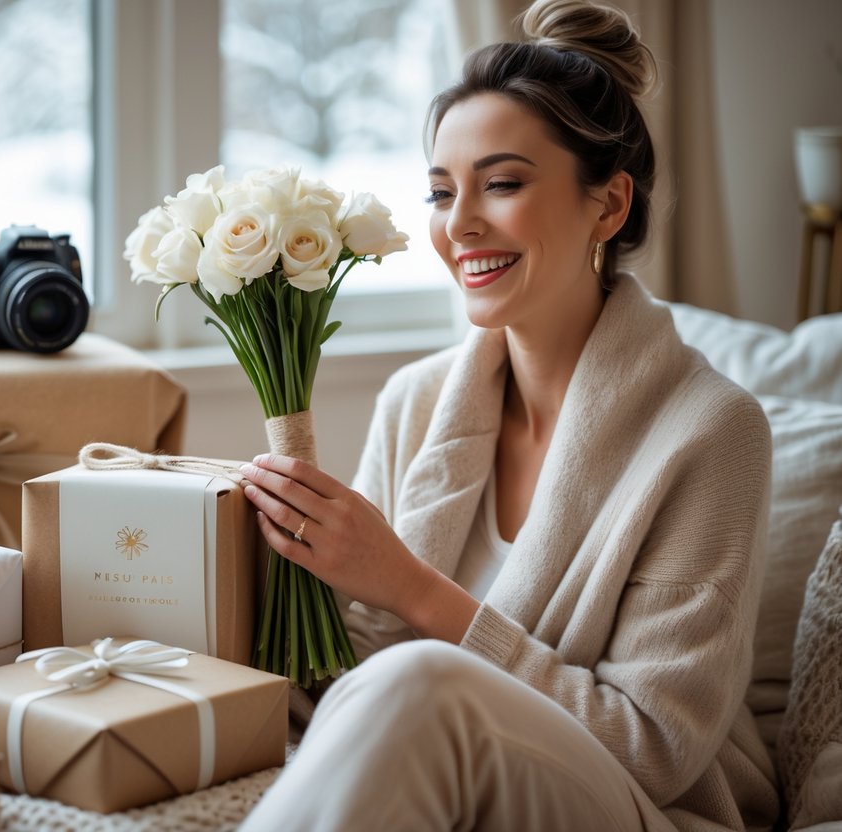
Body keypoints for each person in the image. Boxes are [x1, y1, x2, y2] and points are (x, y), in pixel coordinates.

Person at [237, 1, 779, 829]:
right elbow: (351, 682)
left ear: (608, 205)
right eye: (440, 191)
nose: (458, 226)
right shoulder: (416, 401)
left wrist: (409, 587)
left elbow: (654, 749)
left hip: (641, 806)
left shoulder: (712, 433)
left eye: (501, 183)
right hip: (442, 774)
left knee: (420, 682)